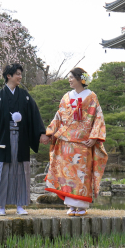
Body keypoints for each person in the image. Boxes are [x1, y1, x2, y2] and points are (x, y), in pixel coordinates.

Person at [0, 63, 49, 216]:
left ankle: (20, 205)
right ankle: (1, 206)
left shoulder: (25, 96)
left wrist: (42, 133)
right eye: (17, 74)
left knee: (21, 171)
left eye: (20, 74)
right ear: (8, 76)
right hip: (3, 139)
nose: (20, 77)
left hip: (21, 138)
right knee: (2, 171)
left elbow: (34, 116)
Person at [44, 67, 107, 217]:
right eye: (69, 77)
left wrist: (93, 138)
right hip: (66, 141)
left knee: (82, 174)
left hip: (83, 142)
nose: (69, 80)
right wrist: (50, 132)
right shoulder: (66, 96)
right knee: (67, 175)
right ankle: (71, 205)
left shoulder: (91, 96)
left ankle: (82, 206)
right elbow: (58, 116)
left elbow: (98, 117)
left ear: (80, 79)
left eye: (72, 77)